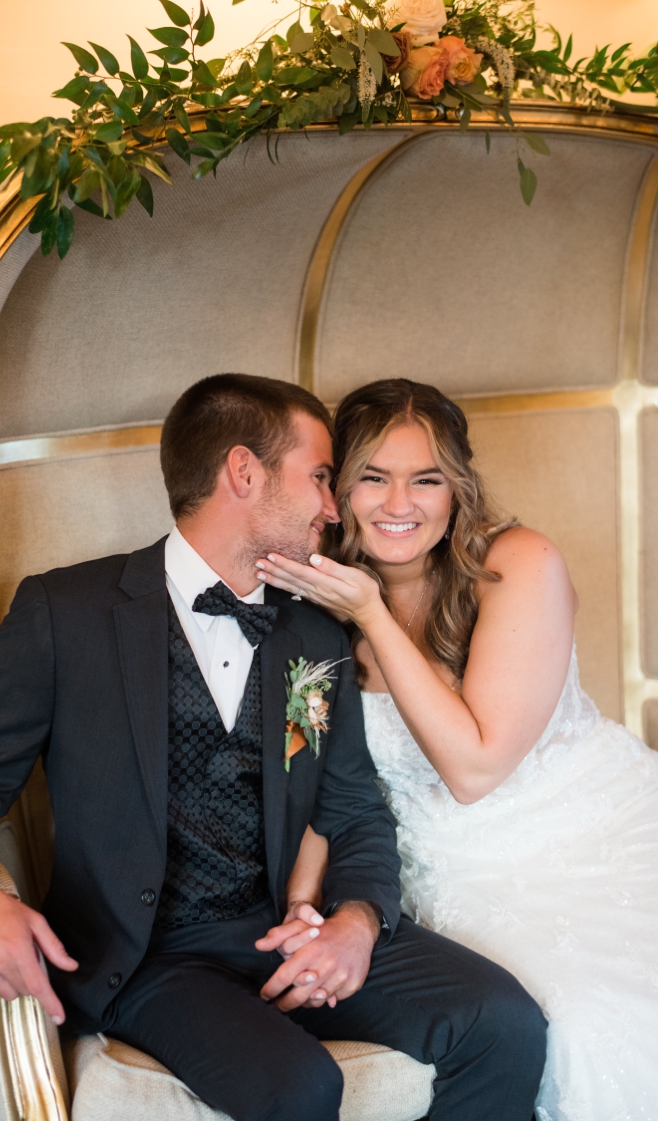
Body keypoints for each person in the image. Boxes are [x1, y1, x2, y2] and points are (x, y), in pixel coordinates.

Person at [0, 372, 549, 1121]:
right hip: (151, 956)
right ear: (243, 472)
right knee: (300, 1084)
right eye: (318, 476)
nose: (332, 505)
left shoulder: (314, 633)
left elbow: (353, 807)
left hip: (283, 929)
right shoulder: (66, 613)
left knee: (504, 1022)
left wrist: (355, 924)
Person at [255, 377, 658, 1121]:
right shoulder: (314, 609)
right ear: (339, 489)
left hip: (590, 835)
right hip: (436, 871)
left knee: (602, 1024)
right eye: (373, 477)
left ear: (458, 488)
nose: (399, 503)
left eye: (426, 479)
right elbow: (309, 770)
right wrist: (303, 907)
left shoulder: (520, 562)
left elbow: (473, 768)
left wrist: (371, 613)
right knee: (540, 1018)